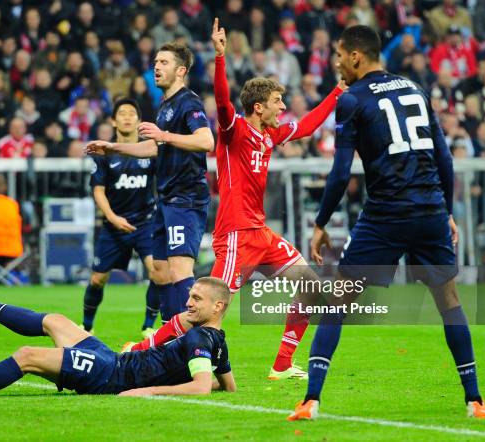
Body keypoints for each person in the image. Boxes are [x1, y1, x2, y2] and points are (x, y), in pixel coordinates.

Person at [122, 18, 344, 380]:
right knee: (207, 307)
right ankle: (143, 349)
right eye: (277, 101)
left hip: (260, 233)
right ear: (259, 107)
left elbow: (306, 126)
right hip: (236, 235)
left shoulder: (269, 136)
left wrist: (336, 92)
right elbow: (223, 102)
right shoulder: (234, 129)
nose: (282, 107)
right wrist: (221, 57)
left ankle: (282, 364)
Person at [288, 25, 485, 421]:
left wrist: (321, 221)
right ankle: (476, 401)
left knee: (338, 301)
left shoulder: (353, 99)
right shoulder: (416, 89)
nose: (337, 64)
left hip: (385, 214)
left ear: (357, 57)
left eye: (340, 56)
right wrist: (446, 210)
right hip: (429, 208)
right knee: (449, 301)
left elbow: (341, 171)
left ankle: (311, 400)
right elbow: (444, 158)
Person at [0, 264, 235, 398]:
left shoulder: (198, 338)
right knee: (55, 320)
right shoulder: (215, 340)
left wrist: (146, 391)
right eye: (190, 296)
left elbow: (202, 387)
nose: (188, 302)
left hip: (111, 377)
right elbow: (226, 386)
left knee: (27, 356)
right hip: (116, 362)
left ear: (217, 307)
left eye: (196, 299)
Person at [86, 41, 214, 324]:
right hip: (166, 200)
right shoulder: (165, 106)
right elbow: (157, 148)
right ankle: (169, 334)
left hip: (186, 197)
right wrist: (113, 147)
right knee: (159, 270)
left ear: (181, 71)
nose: (156, 66)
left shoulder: (188, 102)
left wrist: (165, 135)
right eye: (156, 62)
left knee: (180, 270)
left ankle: (193, 335)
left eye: (164, 62)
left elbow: (206, 141)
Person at [84, 98, 165, 338]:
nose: (128, 117)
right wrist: (112, 217)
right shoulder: (104, 153)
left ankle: (148, 326)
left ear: (139, 121)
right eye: (122, 113)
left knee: (158, 272)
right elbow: (98, 191)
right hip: (113, 225)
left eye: (132, 113)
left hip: (145, 223)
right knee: (98, 279)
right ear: (113, 120)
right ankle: (87, 326)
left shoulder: (149, 152)